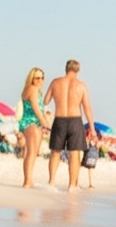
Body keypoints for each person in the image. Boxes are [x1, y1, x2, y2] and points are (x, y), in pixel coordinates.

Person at [46, 60, 93, 188]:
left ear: (66, 69)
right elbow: (87, 108)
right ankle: (72, 186)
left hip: (59, 119)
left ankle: (51, 182)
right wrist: (92, 129)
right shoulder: (81, 85)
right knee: (74, 154)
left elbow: (45, 101)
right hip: (75, 120)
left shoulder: (56, 82)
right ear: (77, 71)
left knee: (55, 152)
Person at [17, 66, 49, 188]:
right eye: (37, 78)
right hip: (31, 122)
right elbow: (36, 108)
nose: (40, 80)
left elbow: (40, 108)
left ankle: (29, 180)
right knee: (31, 152)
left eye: (42, 78)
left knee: (33, 152)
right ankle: (27, 181)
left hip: (34, 122)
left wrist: (45, 122)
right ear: (32, 78)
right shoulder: (32, 89)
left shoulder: (33, 90)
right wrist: (44, 123)